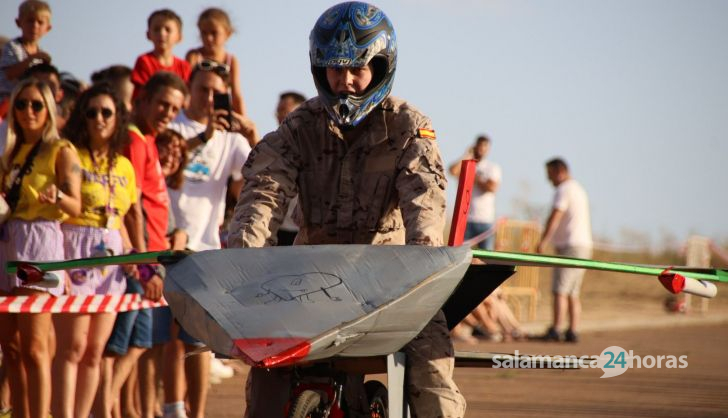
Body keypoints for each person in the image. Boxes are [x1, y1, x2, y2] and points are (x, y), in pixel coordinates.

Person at [227, 3, 465, 417]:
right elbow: (264, 190)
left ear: (381, 65)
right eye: (335, 69)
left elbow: (424, 195)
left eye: (358, 68)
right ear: (320, 69)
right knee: (267, 372)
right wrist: (244, 259)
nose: (346, 81)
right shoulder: (299, 126)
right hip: (309, 283)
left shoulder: (409, 126)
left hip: (393, 285)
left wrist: (426, 255)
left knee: (432, 369)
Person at [162, 61, 254, 418]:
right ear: (190, 89)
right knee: (165, 339)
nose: (210, 97)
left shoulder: (231, 139)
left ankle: (197, 413)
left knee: (197, 342)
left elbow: (252, 178)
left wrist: (250, 132)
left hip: (204, 249)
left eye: (217, 92)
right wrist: (202, 137)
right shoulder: (173, 126)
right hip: (164, 244)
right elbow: (163, 157)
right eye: (203, 89)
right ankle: (172, 409)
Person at [94, 72, 186, 418]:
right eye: (163, 103)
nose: (168, 112)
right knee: (118, 346)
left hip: (151, 258)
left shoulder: (147, 138)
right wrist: (145, 264)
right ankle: (100, 410)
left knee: (137, 344)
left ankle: (106, 409)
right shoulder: (134, 139)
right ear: (143, 99)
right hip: (138, 260)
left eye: (175, 107)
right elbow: (129, 209)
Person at [52, 83, 138, 418]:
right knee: (71, 348)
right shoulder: (70, 154)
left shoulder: (125, 166)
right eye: (92, 112)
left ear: (118, 119)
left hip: (112, 259)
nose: (99, 118)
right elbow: (60, 214)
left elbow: (123, 220)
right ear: (82, 117)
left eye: (107, 112)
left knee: (94, 352)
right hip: (75, 249)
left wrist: (134, 259)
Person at [0, 78, 82, 418]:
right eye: (21, 104)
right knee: (12, 348)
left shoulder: (61, 149)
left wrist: (57, 196)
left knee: (35, 347)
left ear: (49, 109)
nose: (28, 111)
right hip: (8, 242)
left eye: (36, 104)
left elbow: (76, 205)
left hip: (41, 243)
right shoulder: (9, 150)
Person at [537, 158, 593, 343]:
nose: (549, 180)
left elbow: (556, 215)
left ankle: (557, 328)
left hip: (571, 246)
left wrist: (543, 241)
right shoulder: (578, 188)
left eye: (550, 175)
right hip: (584, 245)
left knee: (560, 290)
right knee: (572, 291)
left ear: (558, 171)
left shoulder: (564, 189)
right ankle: (572, 329)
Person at [186, 8, 247, 116]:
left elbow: (236, 95)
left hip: (221, 112)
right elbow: (187, 89)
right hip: (197, 112)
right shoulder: (194, 56)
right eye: (204, 33)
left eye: (214, 33)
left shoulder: (231, 60)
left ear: (227, 34)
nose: (208, 38)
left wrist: (244, 121)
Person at [0, 0, 53, 118]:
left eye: (40, 22)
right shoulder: (13, 47)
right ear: (19, 23)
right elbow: (10, 73)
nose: (34, 26)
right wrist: (31, 59)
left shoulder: (40, 54)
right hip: (7, 102)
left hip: (29, 103)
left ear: (48, 28)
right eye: (30, 21)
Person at [448, 134, 501, 250]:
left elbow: (492, 188)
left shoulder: (492, 168)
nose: (482, 149)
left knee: (486, 258)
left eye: (485, 147)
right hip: (466, 219)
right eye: (480, 146)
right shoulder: (466, 164)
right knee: (459, 254)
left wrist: (474, 176)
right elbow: (452, 170)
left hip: (485, 220)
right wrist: (466, 155)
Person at [131, 9, 190, 99]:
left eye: (168, 30)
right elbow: (141, 95)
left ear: (179, 37)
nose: (162, 33)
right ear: (148, 34)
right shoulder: (144, 61)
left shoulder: (184, 67)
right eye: (156, 29)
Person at [273, 91, 306, 246]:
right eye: (278, 112)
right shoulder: (271, 148)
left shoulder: (316, 149)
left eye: (285, 112)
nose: (280, 117)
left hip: (304, 233)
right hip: (278, 230)